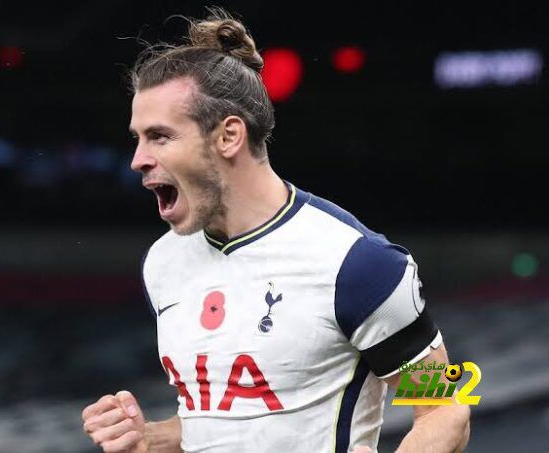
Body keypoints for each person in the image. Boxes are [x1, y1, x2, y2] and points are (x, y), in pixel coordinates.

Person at [82, 8, 471, 453]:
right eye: (137, 138)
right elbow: (229, 424)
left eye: (160, 136)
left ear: (228, 136)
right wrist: (148, 439)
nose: (138, 160)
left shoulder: (358, 264)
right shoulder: (163, 263)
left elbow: (444, 407)